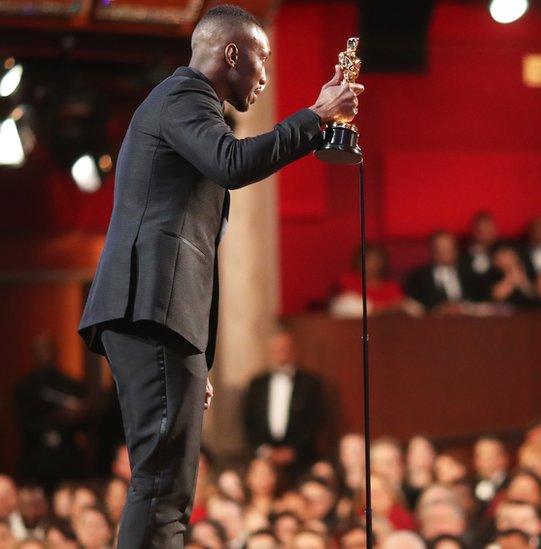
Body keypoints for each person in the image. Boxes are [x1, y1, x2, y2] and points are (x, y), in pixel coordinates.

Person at [74, 5, 362, 546]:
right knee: (162, 484)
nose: (266, 74)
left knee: (166, 483)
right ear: (233, 53)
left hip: (157, 318)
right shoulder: (184, 96)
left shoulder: (178, 103)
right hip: (151, 312)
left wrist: (197, 359)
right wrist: (318, 116)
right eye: (263, 59)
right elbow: (231, 162)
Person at [243, 329, 326, 474]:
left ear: (294, 350)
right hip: (263, 459)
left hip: (301, 460)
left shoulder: (310, 383)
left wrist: (293, 451)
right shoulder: (256, 384)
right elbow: (248, 419)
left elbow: (315, 420)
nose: (281, 352)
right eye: (277, 348)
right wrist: (264, 450)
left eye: (285, 348)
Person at [14, 335, 89, 491]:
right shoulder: (25, 387)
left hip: (67, 457)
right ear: (33, 353)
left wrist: (77, 414)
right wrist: (56, 418)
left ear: (55, 352)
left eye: (48, 349)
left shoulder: (70, 384)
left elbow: (85, 422)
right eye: (40, 350)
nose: (45, 354)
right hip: (36, 459)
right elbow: (22, 424)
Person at [329, 244, 410, 317]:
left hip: (387, 327)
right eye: (366, 260)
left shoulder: (392, 287)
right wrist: (382, 310)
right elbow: (346, 308)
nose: (370, 265)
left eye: (374, 261)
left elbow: (401, 307)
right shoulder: (346, 282)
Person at [404, 231, 473, 313]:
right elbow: (413, 305)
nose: (445, 253)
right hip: (432, 322)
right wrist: (438, 309)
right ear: (433, 251)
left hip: (466, 320)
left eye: (449, 249)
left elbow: (478, 300)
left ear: (456, 251)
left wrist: (462, 307)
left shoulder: (468, 273)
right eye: (441, 249)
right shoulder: (419, 276)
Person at [461, 211, 500, 302]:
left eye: (491, 229)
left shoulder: (502, 254)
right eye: (484, 230)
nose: (489, 234)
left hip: (500, 304)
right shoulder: (462, 257)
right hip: (470, 303)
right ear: (474, 231)